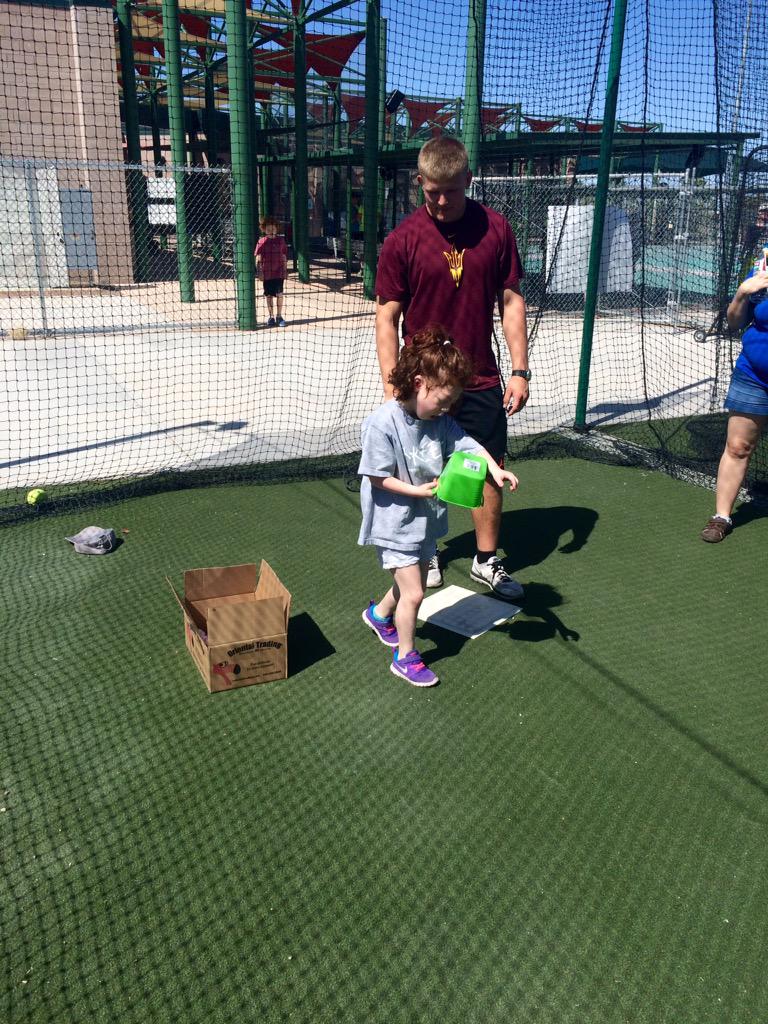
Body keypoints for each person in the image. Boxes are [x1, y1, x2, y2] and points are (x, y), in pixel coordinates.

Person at [375, 136, 530, 600]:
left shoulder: (496, 229)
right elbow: (387, 317)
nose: (442, 202)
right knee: (422, 473)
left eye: (452, 191)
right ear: (419, 182)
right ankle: (427, 552)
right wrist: (392, 387)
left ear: (468, 179)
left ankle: (485, 561)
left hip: (479, 377)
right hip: (423, 383)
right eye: (431, 192)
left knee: (486, 469)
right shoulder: (403, 239)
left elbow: (510, 300)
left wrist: (519, 370)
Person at [358, 326, 519, 687]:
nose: (447, 410)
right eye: (443, 401)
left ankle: (379, 614)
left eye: (451, 404)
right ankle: (405, 656)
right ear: (418, 383)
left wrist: (495, 469)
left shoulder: (441, 421)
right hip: (394, 522)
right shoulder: (382, 424)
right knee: (415, 591)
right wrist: (418, 492)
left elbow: (468, 445)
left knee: (406, 582)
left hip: (423, 521)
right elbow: (376, 478)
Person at [700, 248, 768, 542]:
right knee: (738, 446)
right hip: (753, 375)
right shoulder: (763, 267)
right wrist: (742, 293)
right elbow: (735, 322)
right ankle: (721, 517)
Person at [255, 216, 288, 326]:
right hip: (267, 273)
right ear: (264, 230)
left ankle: (279, 316)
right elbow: (258, 258)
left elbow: (284, 256)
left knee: (280, 294)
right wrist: (259, 272)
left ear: (276, 229)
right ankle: (271, 317)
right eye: (268, 229)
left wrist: (285, 270)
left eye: (273, 229)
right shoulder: (261, 241)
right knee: (269, 295)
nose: (271, 231)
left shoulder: (281, 241)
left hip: (278, 273)